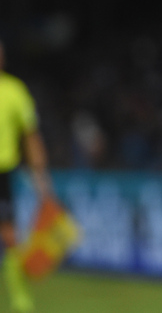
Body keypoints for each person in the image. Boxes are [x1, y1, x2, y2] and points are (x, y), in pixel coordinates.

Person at [0, 40, 53, 312]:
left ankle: (21, 301)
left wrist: (40, 177)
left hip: (3, 172)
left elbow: (31, 137)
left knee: (9, 236)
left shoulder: (14, 91)